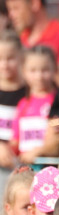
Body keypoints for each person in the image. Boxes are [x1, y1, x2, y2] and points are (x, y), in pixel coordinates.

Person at [4, 0, 59, 86]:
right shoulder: (20, 39)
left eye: (16, 8)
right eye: (9, 10)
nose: (11, 15)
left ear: (35, 3)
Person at [11, 45, 56, 164]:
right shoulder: (22, 104)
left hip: (51, 167)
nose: (39, 76)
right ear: (23, 72)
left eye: (45, 70)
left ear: (54, 69)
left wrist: (39, 151)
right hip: (26, 169)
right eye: (33, 70)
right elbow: (15, 141)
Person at [0, 32, 24, 187]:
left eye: (10, 58)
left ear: (21, 57)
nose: (4, 64)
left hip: (23, 167)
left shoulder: (31, 91)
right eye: (0, 59)